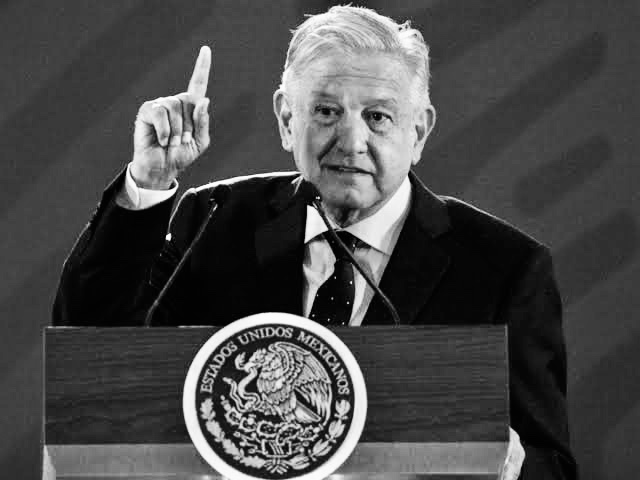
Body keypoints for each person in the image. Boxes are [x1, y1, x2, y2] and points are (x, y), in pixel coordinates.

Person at [53, 6, 576, 479]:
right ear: (287, 119)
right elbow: (92, 349)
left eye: (377, 117)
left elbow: (551, 467)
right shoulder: (214, 220)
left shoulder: (504, 268)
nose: (351, 141)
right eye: (326, 111)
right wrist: (150, 180)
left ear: (418, 132)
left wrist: (510, 467)